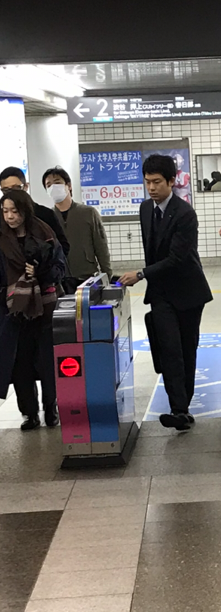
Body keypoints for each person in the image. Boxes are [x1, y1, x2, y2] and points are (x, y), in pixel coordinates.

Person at [119, 154, 212, 431]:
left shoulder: (185, 213)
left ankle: (183, 406)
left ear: (172, 181)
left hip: (188, 292)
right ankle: (178, 409)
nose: (151, 187)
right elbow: (152, 251)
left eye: (157, 182)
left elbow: (178, 259)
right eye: (147, 181)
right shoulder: (145, 209)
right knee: (169, 349)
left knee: (186, 350)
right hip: (160, 293)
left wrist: (141, 274)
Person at [0, 190, 65, 430]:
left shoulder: (44, 233)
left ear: (25, 211)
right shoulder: (1, 238)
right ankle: (29, 413)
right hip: (13, 311)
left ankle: (51, 407)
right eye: (5, 211)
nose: (9, 217)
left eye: (14, 211)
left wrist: (40, 272)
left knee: (47, 361)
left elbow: (60, 268)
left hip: (45, 307)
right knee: (20, 363)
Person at [42, 166, 112, 286]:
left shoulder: (88, 213)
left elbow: (101, 246)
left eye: (57, 183)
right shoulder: (47, 217)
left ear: (69, 185)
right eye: (48, 185)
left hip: (86, 276)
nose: (53, 187)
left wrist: (107, 275)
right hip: (59, 280)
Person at [0, 166, 69, 259]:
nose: (11, 193)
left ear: (25, 187)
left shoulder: (44, 214)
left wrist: (43, 264)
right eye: (6, 190)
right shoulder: (1, 217)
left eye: (16, 188)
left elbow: (62, 248)